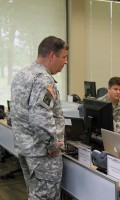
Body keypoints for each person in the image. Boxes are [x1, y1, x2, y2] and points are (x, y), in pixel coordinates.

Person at [10, 36, 68, 200]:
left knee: (35, 195)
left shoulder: (23, 74)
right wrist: (52, 145)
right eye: (64, 57)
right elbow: (39, 118)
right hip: (42, 153)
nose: (66, 62)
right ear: (52, 56)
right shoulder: (43, 79)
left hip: (25, 148)